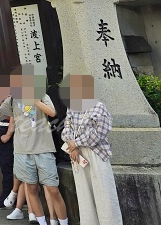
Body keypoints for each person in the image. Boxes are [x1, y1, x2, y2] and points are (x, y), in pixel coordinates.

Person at [1, 67, 69, 225]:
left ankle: (62, 222)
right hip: (22, 150)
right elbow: (0, 115)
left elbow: (52, 113)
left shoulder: (40, 95)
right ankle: (41, 222)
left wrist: (36, 100)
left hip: (43, 148)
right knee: (31, 189)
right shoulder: (12, 100)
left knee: (53, 189)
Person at [62, 74, 121, 225]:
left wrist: (75, 143)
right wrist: (72, 146)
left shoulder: (99, 107)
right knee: (84, 194)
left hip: (96, 153)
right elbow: (66, 129)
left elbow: (100, 133)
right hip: (77, 155)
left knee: (104, 193)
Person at [0, 87, 17, 210]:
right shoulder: (4, 96)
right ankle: (8, 197)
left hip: (7, 134)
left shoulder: (15, 95)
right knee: (5, 166)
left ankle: (7, 197)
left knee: (8, 167)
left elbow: (14, 117)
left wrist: (8, 135)